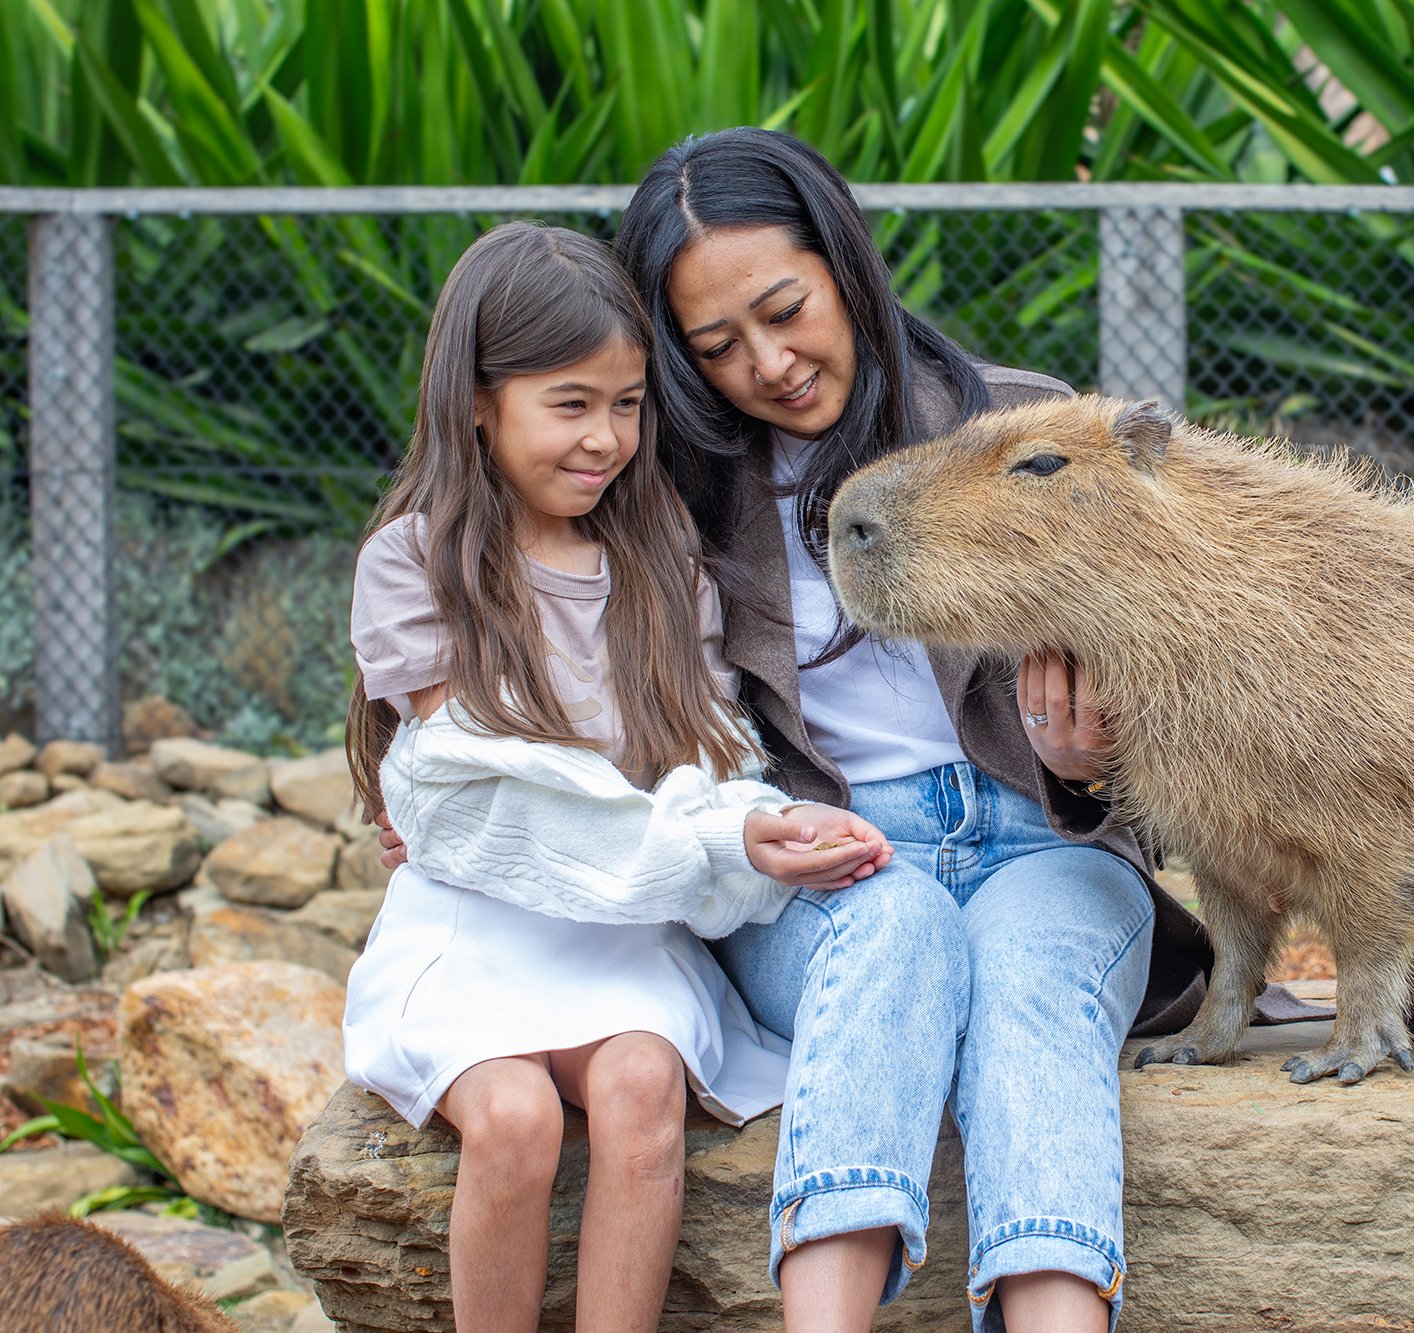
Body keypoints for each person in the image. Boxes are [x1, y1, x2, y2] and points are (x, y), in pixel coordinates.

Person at [610, 127, 1315, 1333]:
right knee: (893, 935)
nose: (768, 365)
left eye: (787, 309)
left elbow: (1211, 724)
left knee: (1030, 979)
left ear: (843, 262)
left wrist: (1092, 771)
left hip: (1039, 844)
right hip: (829, 870)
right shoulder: (677, 495)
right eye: (715, 345)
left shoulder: (1034, 434)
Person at [342, 220, 892, 1333]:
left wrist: (761, 824)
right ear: (478, 401)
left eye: (627, 403)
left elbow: (709, 751)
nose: (604, 438)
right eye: (569, 403)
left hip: (628, 929)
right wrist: (702, 841)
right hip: (478, 928)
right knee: (513, 1118)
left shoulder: (657, 561)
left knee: (640, 1088)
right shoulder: (413, 562)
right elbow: (487, 805)